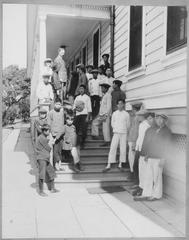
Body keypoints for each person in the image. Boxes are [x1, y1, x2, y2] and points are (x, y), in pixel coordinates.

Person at [134, 113, 172, 201]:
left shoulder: (167, 131)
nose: (159, 120)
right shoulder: (154, 129)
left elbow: (167, 146)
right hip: (151, 156)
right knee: (148, 176)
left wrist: (163, 158)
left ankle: (156, 195)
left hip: (159, 157)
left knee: (157, 177)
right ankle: (146, 193)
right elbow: (151, 143)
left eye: (161, 119)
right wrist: (147, 154)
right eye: (157, 118)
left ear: (165, 121)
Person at [103, 99, 130, 172]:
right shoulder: (114, 113)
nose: (120, 105)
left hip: (123, 133)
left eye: (121, 104)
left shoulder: (126, 114)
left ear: (123, 104)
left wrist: (124, 130)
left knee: (123, 148)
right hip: (116, 133)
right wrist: (116, 129)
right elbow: (112, 123)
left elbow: (128, 125)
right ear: (117, 105)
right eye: (118, 104)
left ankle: (120, 164)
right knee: (113, 147)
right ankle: (109, 164)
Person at [132, 110, 152, 196]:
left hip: (143, 150)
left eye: (139, 116)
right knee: (136, 166)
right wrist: (136, 146)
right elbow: (140, 137)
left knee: (142, 169)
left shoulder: (147, 125)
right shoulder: (141, 125)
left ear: (143, 116)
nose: (137, 117)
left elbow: (146, 139)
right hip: (138, 148)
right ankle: (138, 184)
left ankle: (142, 187)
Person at [35, 124, 59, 197]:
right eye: (48, 131)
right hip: (42, 159)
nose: (49, 132)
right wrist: (52, 142)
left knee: (51, 172)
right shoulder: (42, 138)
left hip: (46, 158)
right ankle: (41, 191)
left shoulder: (43, 137)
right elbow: (48, 148)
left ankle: (52, 188)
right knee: (42, 175)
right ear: (44, 131)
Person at [47, 98, 65, 171]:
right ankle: (55, 165)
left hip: (61, 134)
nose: (58, 105)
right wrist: (50, 134)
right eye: (57, 104)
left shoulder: (62, 113)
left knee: (60, 150)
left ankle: (59, 165)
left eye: (60, 104)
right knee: (55, 151)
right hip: (53, 134)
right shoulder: (51, 113)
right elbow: (49, 124)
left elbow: (63, 123)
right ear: (54, 104)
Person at [73, 85, 92, 149]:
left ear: (85, 90)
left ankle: (82, 142)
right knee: (75, 129)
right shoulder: (77, 97)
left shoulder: (87, 97)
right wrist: (74, 114)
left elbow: (89, 108)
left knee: (84, 130)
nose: (81, 90)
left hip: (84, 115)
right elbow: (74, 107)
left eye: (82, 89)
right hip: (78, 115)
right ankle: (76, 142)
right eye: (80, 89)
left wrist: (88, 117)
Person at [127, 104, 141, 175]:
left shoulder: (137, 118)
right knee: (131, 156)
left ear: (135, 109)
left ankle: (132, 172)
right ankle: (132, 171)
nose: (132, 111)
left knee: (132, 157)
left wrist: (134, 142)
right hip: (131, 139)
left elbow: (136, 130)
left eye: (133, 109)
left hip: (133, 140)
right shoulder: (136, 117)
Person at [89, 69, 101, 139]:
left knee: (97, 110)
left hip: (97, 96)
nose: (95, 75)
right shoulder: (90, 81)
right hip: (92, 96)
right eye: (93, 73)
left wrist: (100, 97)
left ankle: (95, 132)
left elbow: (99, 90)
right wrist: (91, 95)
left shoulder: (99, 81)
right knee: (92, 110)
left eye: (96, 73)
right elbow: (90, 89)